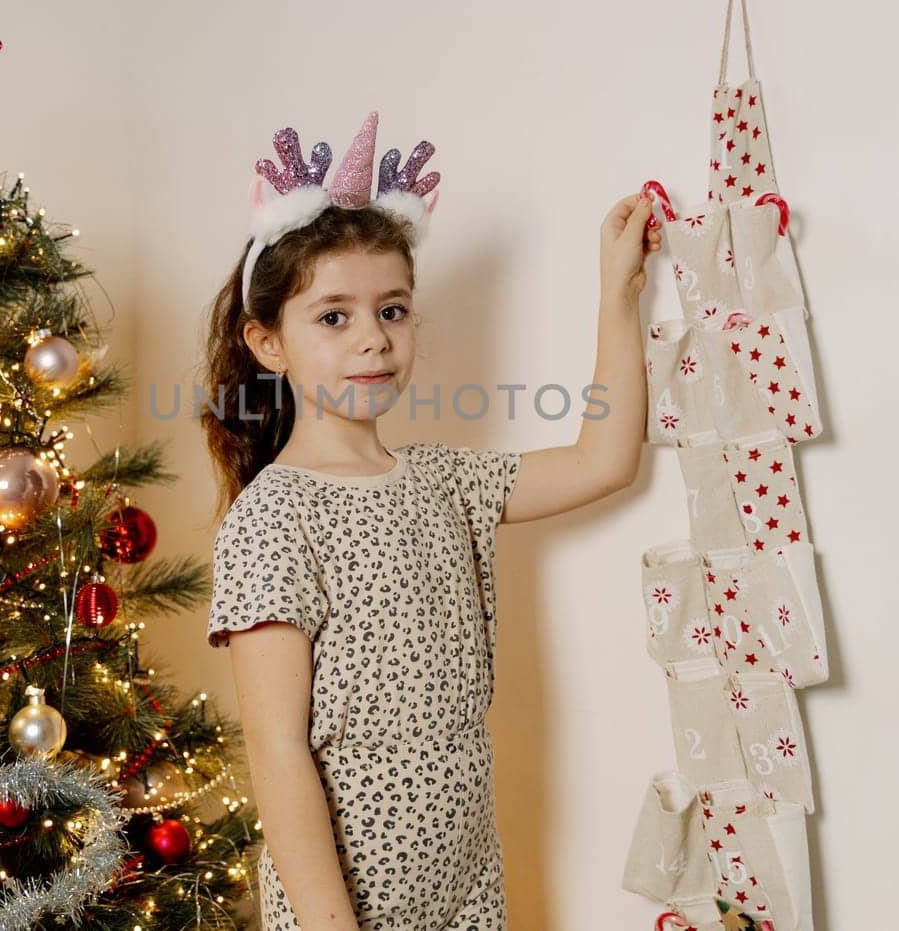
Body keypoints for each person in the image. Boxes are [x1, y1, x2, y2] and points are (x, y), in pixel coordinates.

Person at [200, 111, 661, 929]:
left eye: (394, 310)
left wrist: (616, 291)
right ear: (268, 342)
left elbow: (603, 460)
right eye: (334, 316)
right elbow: (277, 755)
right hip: (349, 904)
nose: (374, 340)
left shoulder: (447, 479)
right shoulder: (274, 515)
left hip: (467, 880)